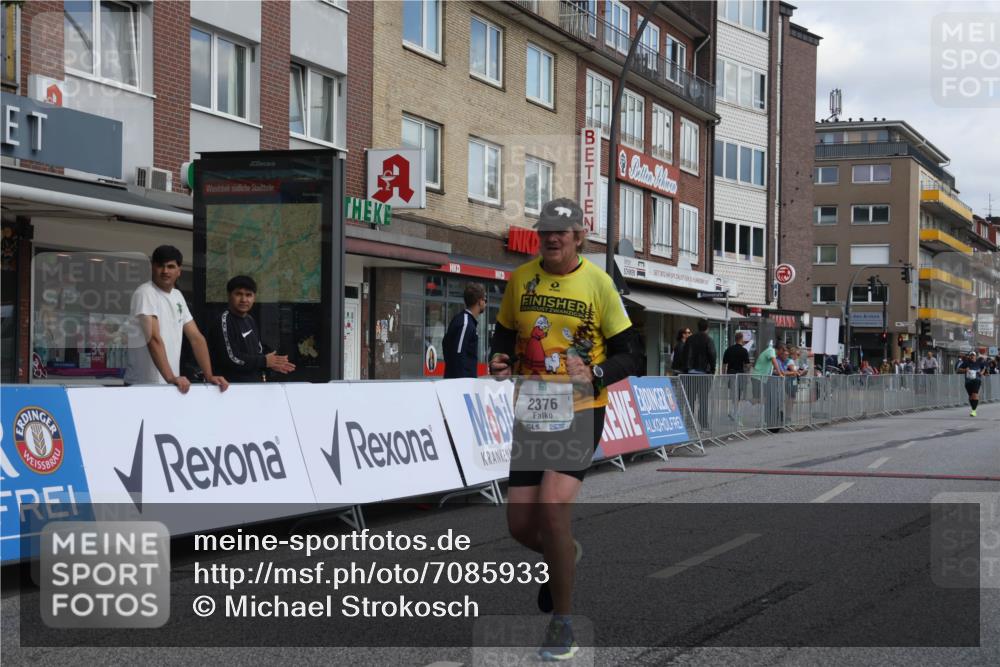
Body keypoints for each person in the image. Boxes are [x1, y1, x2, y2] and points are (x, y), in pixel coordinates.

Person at [488, 198, 640, 661]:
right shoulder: (521, 279)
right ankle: (564, 554)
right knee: (519, 526)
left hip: (580, 408)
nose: (551, 238)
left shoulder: (599, 284)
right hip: (533, 407)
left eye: (562, 231)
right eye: (545, 231)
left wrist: (594, 374)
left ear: (579, 237)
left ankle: (563, 624)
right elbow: (502, 335)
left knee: (553, 510)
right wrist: (498, 360)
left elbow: (632, 356)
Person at [125, 245, 228, 393]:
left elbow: (196, 338)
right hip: (143, 385)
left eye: (171, 266)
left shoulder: (177, 296)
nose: (165, 271)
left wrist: (209, 375)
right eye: (160, 266)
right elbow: (153, 338)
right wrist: (171, 377)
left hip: (169, 384)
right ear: (152, 268)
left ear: (179, 271)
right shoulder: (145, 293)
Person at [207, 275, 295, 383]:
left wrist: (272, 364)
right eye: (239, 294)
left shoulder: (249, 319)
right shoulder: (223, 320)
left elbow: (257, 351)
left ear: (254, 298)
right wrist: (264, 361)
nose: (244, 299)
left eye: (248, 295)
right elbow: (232, 358)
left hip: (253, 386)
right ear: (229, 295)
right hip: (229, 388)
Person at [442, 282, 487, 378]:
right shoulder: (466, 323)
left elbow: (445, 344)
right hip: (461, 383)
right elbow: (458, 354)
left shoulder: (462, 320)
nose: (485, 303)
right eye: (485, 300)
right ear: (479, 301)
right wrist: (463, 382)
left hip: (459, 381)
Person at [682, 318, 716, 429]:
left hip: (690, 373)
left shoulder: (690, 339)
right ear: (707, 328)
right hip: (703, 373)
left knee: (690, 398)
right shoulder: (708, 340)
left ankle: (689, 422)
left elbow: (685, 354)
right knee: (703, 399)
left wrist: (686, 369)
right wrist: (712, 370)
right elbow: (712, 355)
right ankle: (703, 423)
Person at [722, 332, 750, 423]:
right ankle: (735, 413)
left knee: (733, 394)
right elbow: (747, 365)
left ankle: (733, 411)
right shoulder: (744, 351)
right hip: (739, 375)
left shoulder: (729, 349)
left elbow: (724, 364)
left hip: (730, 373)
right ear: (741, 339)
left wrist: (724, 375)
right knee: (738, 395)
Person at [956, 351, 989, 417]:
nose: (972, 357)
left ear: (975, 356)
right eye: (971, 355)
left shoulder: (979, 362)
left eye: (973, 355)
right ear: (969, 356)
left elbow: (984, 369)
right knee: (971, 397)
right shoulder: (966, 363)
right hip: (968, 382)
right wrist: (965, 370)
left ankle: (974, 411)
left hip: (977, 380)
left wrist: (982, 373)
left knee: (975, 395)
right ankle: (973, 408)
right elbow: (958, 370)